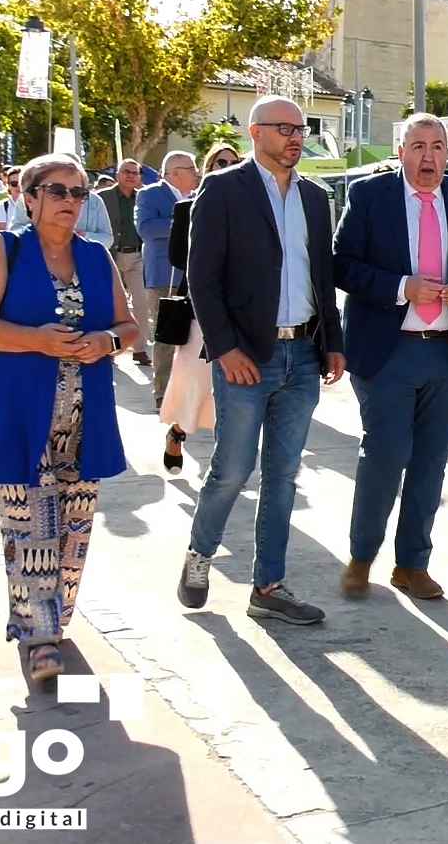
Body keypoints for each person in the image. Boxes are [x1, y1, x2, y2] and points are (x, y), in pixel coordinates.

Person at [0, 154, 139, 682]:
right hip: (20, 411)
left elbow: (130, 328)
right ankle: (39, 635)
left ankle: (55, 620)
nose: (69, 202)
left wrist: (105, 342)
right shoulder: (5, 249)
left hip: (86, 417)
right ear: (29, 197)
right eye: (56, 191)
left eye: (79, 193)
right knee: (30, 524)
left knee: (74, 529)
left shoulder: (95, 255)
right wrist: (36, 340)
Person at [177, 95, 346, 626]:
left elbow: (323, 276)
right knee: (232, 469)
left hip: (303, 352)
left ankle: (268, 587)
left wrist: (332, 341)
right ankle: (199, 556)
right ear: (255, 133)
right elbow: (202, 278)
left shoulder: (317, 200)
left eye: (302, 129)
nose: (297, 137)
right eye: (285, 128)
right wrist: (225, 349)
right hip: (247, 355)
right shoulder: (223, 190)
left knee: (284, 475)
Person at [332, 114, 448, 601]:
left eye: (438, 147)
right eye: (418, 146)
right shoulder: (370, 196)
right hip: (388, 351)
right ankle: (362, 556)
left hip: (446, 352)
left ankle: (412, 564)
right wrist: (401, 287)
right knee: (385, 456)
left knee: (430, 463)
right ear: (400, 150)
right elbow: (342, 265)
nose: (429, 157)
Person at [158, 150, 217, 474]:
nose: (228, 168)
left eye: (233, 163)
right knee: (194, 380)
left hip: (244, 314)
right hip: (198, 310)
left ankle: (229, 458)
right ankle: (178, 431)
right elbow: (178, 257)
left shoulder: (252, 211)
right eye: (220, 163)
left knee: (234, 391)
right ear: (206, 171)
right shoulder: (187, 209)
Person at [138, 151, 198, 410]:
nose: (196, 173)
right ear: (174, 173)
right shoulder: (149, 194)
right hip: (164, 276)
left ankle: (190, 393)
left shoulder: (199, 195)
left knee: (194, 337)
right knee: (166, 336)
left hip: (197, 275)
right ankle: (162, 393)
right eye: (191, 169)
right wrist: (184, 221)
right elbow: (147, 229)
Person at [98, 158, 154, 367]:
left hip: (137, 257)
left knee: (140, 304)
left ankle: (139, 350)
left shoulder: (144, 198)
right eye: (126, 172)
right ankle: (111, 349)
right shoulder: (102, 198)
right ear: (117, 174)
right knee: (111, 307)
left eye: (135, 173)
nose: (130, 176)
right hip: (111, 256)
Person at [0, 165, 23, 233]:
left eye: (21, 183)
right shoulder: (2, 206)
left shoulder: (37, 205)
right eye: (14, 183)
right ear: (8, 186)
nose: (18, 187)